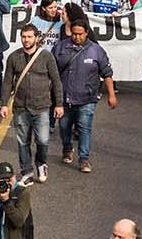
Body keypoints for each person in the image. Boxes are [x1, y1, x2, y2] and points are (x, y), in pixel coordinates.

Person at [0, 24, 63, 183]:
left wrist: (59, 104)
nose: (26, 40)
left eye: (29, 37)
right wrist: (4, 104)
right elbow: (7, 82)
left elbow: (56, 81)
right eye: (23, 37)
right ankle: (26, 171)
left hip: (42, 107)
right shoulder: (14, 57)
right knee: (23, 142)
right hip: (21, 108)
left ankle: (41, 163)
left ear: (36, 37)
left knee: (43, 140)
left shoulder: (46, 56)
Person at [53, 14, 116, 175]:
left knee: (84, 128)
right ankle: (67, 148)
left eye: (80, 34)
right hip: (64, 98)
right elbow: (51, 71)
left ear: (87, 33)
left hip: (87, 99)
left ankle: (84, 158)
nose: (77, 37)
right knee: (64, 127)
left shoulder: (96, 51)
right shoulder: (60, 48)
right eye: (74, 33)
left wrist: (111, 95)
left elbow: (107, 74)